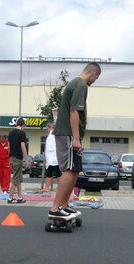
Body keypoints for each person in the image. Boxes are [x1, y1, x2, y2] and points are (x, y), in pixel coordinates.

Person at [49, 62, 101, 220]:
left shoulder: (75, 84)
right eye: (96, 78)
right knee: (69, 170)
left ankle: (64, 206)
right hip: (68, 134)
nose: (94, 81)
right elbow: (74, 111)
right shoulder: (81, 85)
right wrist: (76, 138)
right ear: (93, 74)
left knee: (75, 170)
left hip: (69, 134)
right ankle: (55, 208)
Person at [7, 118, 29, 203]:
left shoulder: (11, 133)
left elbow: (9, 147)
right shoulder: (22, 133)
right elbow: (23, 146)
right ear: (23, 125)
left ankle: (20, 197)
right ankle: (10, 198)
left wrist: (9, 156)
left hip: (12, 157)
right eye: (24, 126)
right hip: (18, 158)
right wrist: (27, 159)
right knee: (16, 178)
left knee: (18, 178)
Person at [40, 122, 62, 193]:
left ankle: (60, 187)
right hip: (50, 158)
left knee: (57, 173)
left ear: (50, 128)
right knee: (49, 173)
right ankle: (46, 187)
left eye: (48, 128)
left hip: (53, 157)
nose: (47, 130)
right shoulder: (50, 135)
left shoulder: (53, 133)